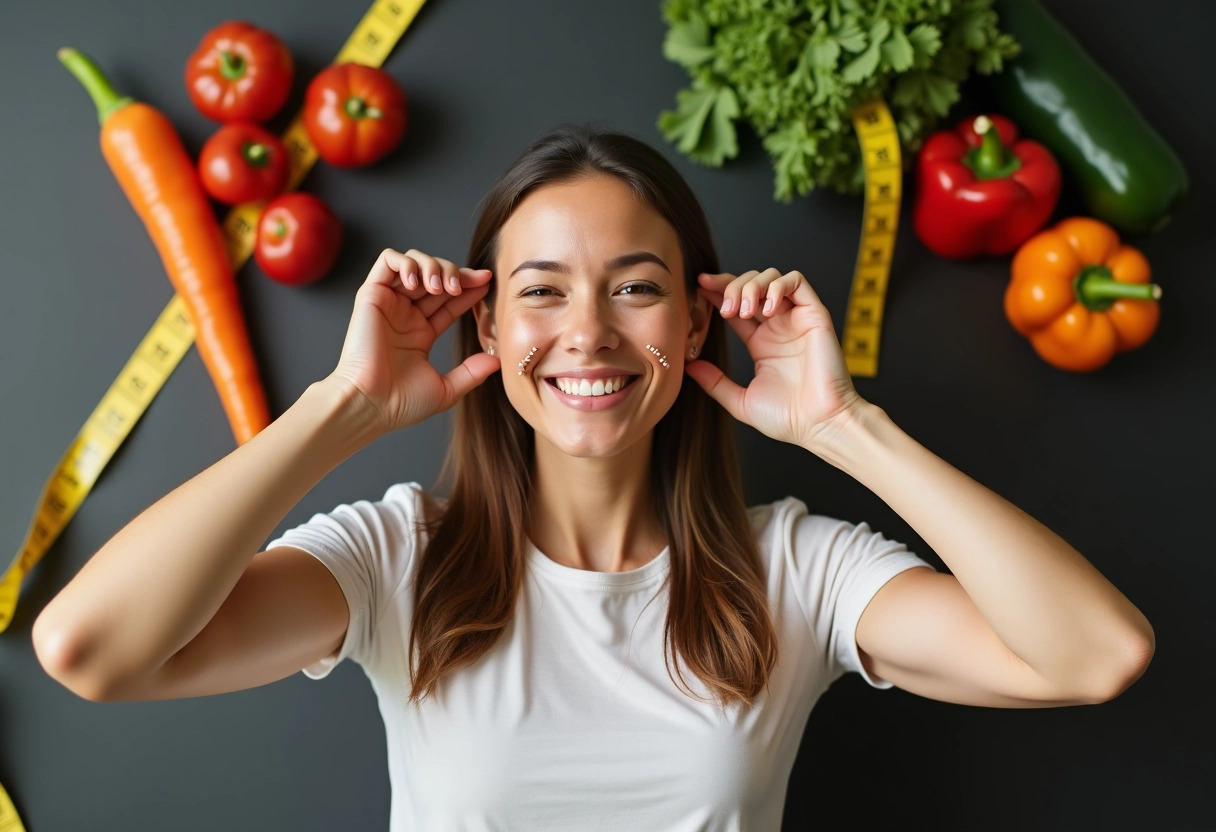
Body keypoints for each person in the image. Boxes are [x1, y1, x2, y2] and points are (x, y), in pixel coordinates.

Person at [32, 123, 1154, 830]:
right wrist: (342, 412)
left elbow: (1096, 655)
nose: (588, 333)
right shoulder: (396, 561)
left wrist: (845, 425)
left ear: (696, 316)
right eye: (541, 290)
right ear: (484, 318)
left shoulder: (798, 569)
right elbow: (91, 649)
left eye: (633, 287)